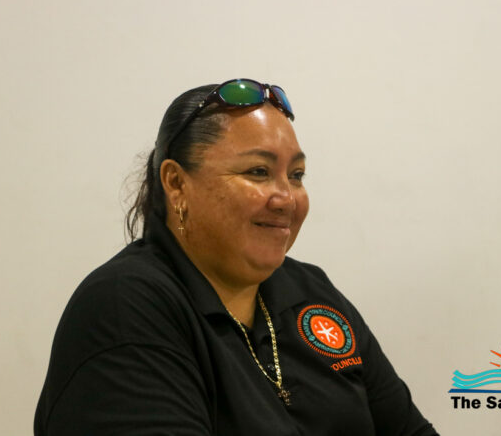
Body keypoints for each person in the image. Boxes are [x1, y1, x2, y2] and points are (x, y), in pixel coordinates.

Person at [34, 79, 439, 435]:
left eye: (296, 176)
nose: (286, 199)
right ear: (176, 183)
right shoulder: (124, 304)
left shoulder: (312, 291)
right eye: (258, 172)